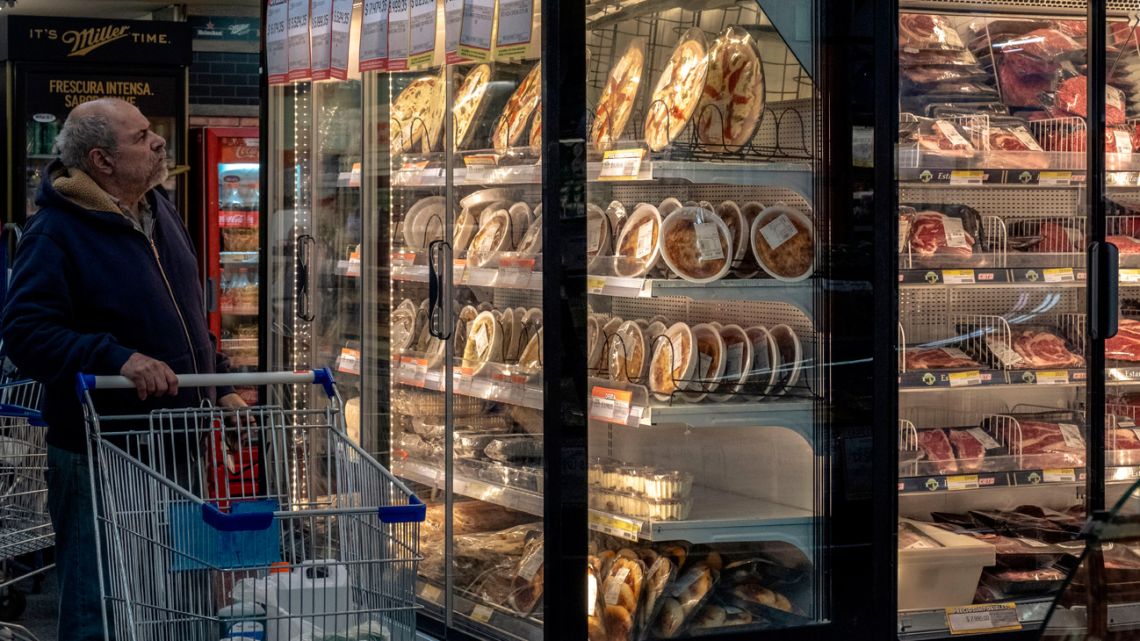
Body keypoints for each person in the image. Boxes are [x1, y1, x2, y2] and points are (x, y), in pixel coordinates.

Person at [0, 97, 244, 641]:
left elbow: (183, 318)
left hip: (175, 444)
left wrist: (219, 381)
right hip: (100, 452)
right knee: (100, 602)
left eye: (152, 132)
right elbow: (27, 334)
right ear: (101, 161)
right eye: (140, 137)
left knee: (174, 600)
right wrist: (118, 358)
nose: (158, 141)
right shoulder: (56, 232)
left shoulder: (160, 211)